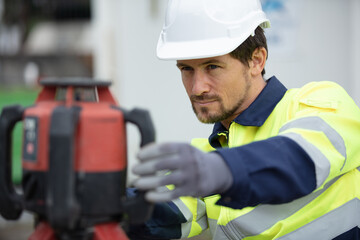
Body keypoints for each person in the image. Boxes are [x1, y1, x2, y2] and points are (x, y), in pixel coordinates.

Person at [129, 0, 360, 239]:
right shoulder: (208, 155)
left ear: (257, 60)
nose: (197, 88)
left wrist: (224, 170)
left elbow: (297, 160)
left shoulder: (323, 103)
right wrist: (107, 206)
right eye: (186, 69)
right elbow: (158, 213)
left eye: (212, 66)